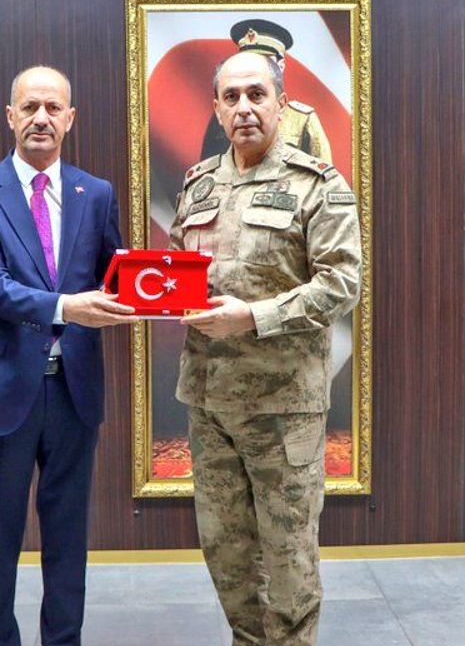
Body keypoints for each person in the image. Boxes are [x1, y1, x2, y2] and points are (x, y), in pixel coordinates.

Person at [169, 51, 362, 645]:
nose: (245, 108)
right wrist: (146, 291)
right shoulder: (199, 184)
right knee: (226, 554)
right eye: (232, 97)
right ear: (216, 109)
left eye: (257, 94)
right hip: (210, 403)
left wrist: (253, 317)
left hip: (283, 407)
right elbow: (177, 272)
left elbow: (342, 284)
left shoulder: (316, 184)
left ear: (281, 102)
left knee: (288, 560)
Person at [0, 66, 137, 646]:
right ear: (10, 116)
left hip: (74, 393)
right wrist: (67, 308)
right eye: (30, 107)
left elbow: (114, 274)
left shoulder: (95, 193)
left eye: (53, 108)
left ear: (70, 119)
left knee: (68, 536)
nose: (41, 118)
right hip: (2, 391)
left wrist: (158, 285)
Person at [200, 18, 333, 164]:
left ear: (280, 66)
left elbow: (322, 173)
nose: (256, 66)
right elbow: (210, 169)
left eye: (266, 61)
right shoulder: (226, 115)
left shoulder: (302, 119)